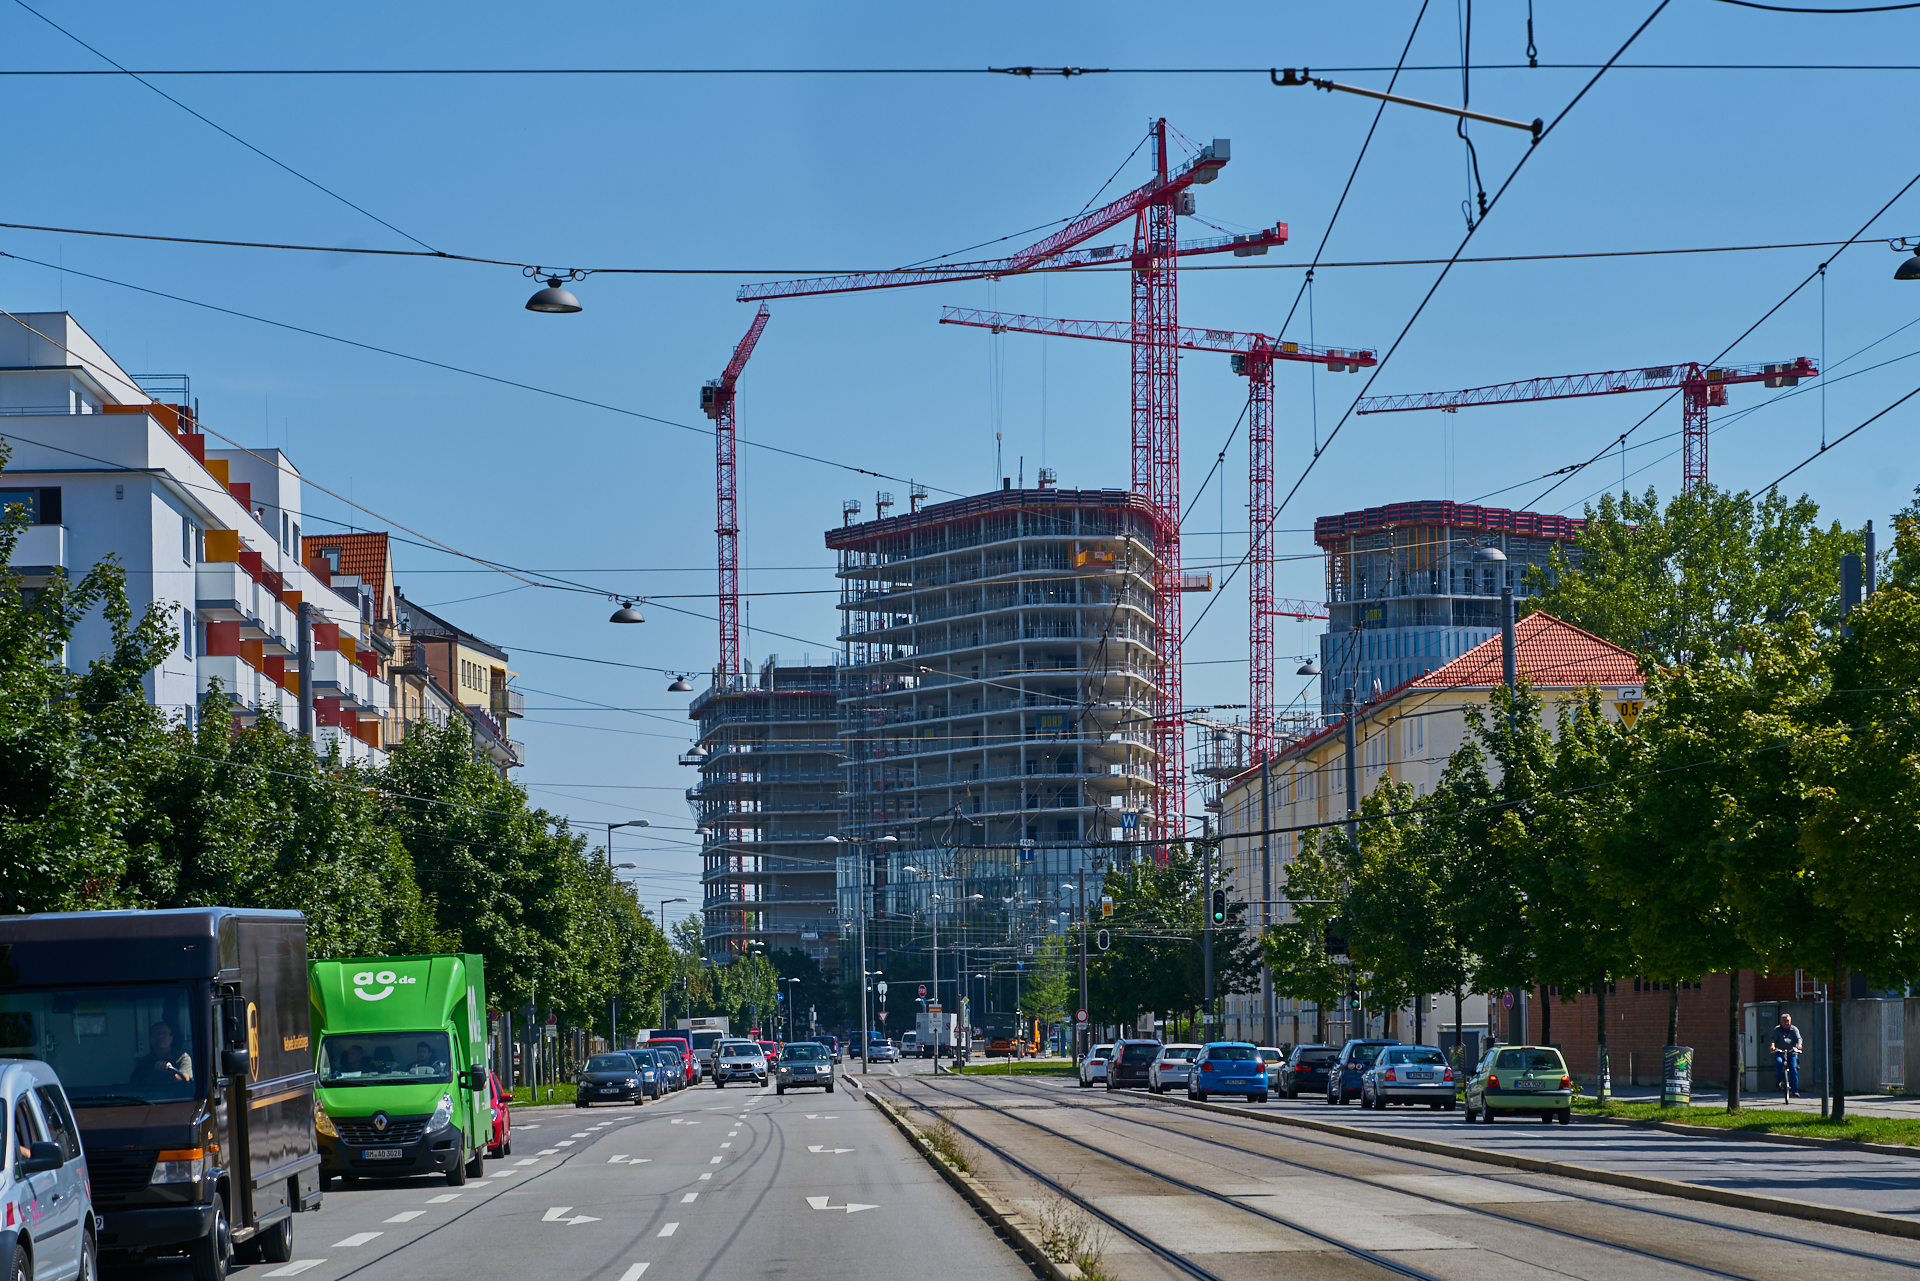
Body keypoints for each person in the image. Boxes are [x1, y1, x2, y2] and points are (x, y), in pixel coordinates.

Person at [130, 1021, 193, 1090]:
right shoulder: (143, 1063)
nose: (160, 1036)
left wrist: (171, 1073)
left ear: (171, 1039)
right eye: (155, 1034)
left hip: (176, 1098)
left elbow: (186, 1080)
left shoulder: (182, 1057)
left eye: (164, 1033)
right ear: (150, 1039)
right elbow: (134, 1087)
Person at [1770, 1012, 1803, 1100]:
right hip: (1780, 1052)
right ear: (1781, 1022)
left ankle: (1795, 1091)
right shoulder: (1777, 1029)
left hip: (1791, 1052)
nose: (1786, 1023)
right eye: (1784, 1021)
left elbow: (1799, 1039)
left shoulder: (1794, 1029)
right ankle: (1780, 1080)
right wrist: (1772, 1046)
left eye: (1788, 1021)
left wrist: (1799, 1045)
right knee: (1779, 1062)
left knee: (1793, 1068)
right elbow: (1773, 1039)